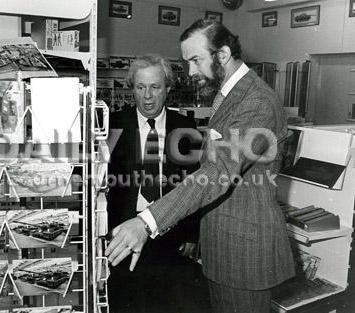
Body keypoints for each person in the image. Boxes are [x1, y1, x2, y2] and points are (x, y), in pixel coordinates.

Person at [105, 20, 296, 313]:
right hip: (223, 248)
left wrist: (147, 221)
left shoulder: (256, 102)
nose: (191, 72)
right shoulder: (230, 96)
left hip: (244, 257)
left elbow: (218, 171)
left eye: (196, 60)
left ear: (222, 55)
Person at [106, 54, 207, 313]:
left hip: (170, 232)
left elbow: (194, 182)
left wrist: (192, 234)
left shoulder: (185, 127)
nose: (148, 96)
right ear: (132, 89)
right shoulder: (113, 126)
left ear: (168, 88)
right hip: (122, 232)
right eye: (140, 87)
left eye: (155, 87)